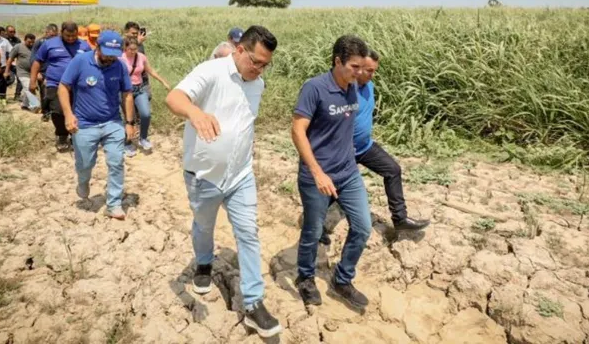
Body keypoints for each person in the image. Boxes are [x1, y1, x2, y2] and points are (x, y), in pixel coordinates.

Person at [165, 25, 282, 338]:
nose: (259, 69)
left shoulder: (257, 84)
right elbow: (174, 97)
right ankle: (204, 264)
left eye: (265, 65)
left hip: (240, 175)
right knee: (204, 227)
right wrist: (194, 113)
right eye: (255, 61)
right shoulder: (212, 71)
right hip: (203, 177)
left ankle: (255, 303)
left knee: (248, 233)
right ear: (239, 50)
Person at [291, 35, 372, 310]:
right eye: (354, 66)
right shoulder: (315, 88)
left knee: (363, 226)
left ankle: (342, 279)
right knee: (313, 231)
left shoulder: (352, 87)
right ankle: (305, 277)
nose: (360, 73)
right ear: (337, 61)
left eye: (362, 67)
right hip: (317, 176)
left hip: (347, 173)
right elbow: (298, 130)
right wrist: (317, 173)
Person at [318, 49, 429, 246]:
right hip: (343, 150)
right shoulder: (342, 89)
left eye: (374, 71)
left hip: (365, 146)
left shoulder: (370, 86)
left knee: (392, 170)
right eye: (368, 70)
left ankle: (400, 219)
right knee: (335, 188)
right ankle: (315, 225)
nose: (371, 75)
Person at [59, 30, 135, 220]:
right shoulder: (80, 61)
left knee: (116, 162)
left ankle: (114, 204)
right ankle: (83, 183)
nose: (110, 58)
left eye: (114, 55)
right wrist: (68, 114)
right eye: (107, 53)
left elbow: (127, 94)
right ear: (97, 46)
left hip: (112, 122)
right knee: (85, 164)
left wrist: (129, 123)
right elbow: (63, 87)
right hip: (84, 124)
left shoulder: (119, 66)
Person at [30, 21, 91, 151]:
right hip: (55, 83)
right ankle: (62, 135)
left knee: (77, 111)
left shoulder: (84, 45)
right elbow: (37, 62)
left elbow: (91, 63)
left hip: (77, 85)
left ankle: (75, 136)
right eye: (67, 36)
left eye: (73, 36)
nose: (70, 39)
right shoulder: (49, 44)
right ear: (61, 32)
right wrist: (32, 81)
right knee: (57, 110)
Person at [119, 37, 171, 156]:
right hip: (126, 91)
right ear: (125, 48)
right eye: (130, 49)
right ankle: (127, 143)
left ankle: (143, 138)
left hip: (140, 88)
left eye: (135, 49)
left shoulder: (141, 57)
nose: (133, 52)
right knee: (128, 118)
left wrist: (163, 81)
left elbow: (151, 71)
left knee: (146, 114)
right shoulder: (120, 59)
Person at [5, 33, 39, 112]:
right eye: (29, 42)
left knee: (28, 88)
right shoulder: (18, 47)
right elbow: (10, 59)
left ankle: (24, 104)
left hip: (33, 72)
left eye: (32, 42)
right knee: (29, 88)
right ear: (25, 40)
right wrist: (6, 71)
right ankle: (35, 105)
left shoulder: (35, 48)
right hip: (22, 72)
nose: (31, 44)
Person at [31, 23, 59, 121]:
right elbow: (34, 59)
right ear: (47, 32)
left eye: (55, 35)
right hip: (42, 73)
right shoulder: (40, 42)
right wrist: (37, 73)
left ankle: (55, 112)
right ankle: (46, 113)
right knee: (45, 94)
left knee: (56, 94)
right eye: (51, 35)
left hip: (55, 73)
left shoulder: (60, 42)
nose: (53, 37)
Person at [4, 25, 22, 100]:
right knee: (6, 80)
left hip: (14, 63)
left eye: (14, 31)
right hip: (5, 63)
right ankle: (1, 96)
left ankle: (17, 95)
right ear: (6, 32)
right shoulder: (3, 40)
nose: (13, 33)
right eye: (11, 31)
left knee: (20, 78)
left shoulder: (17, 40)